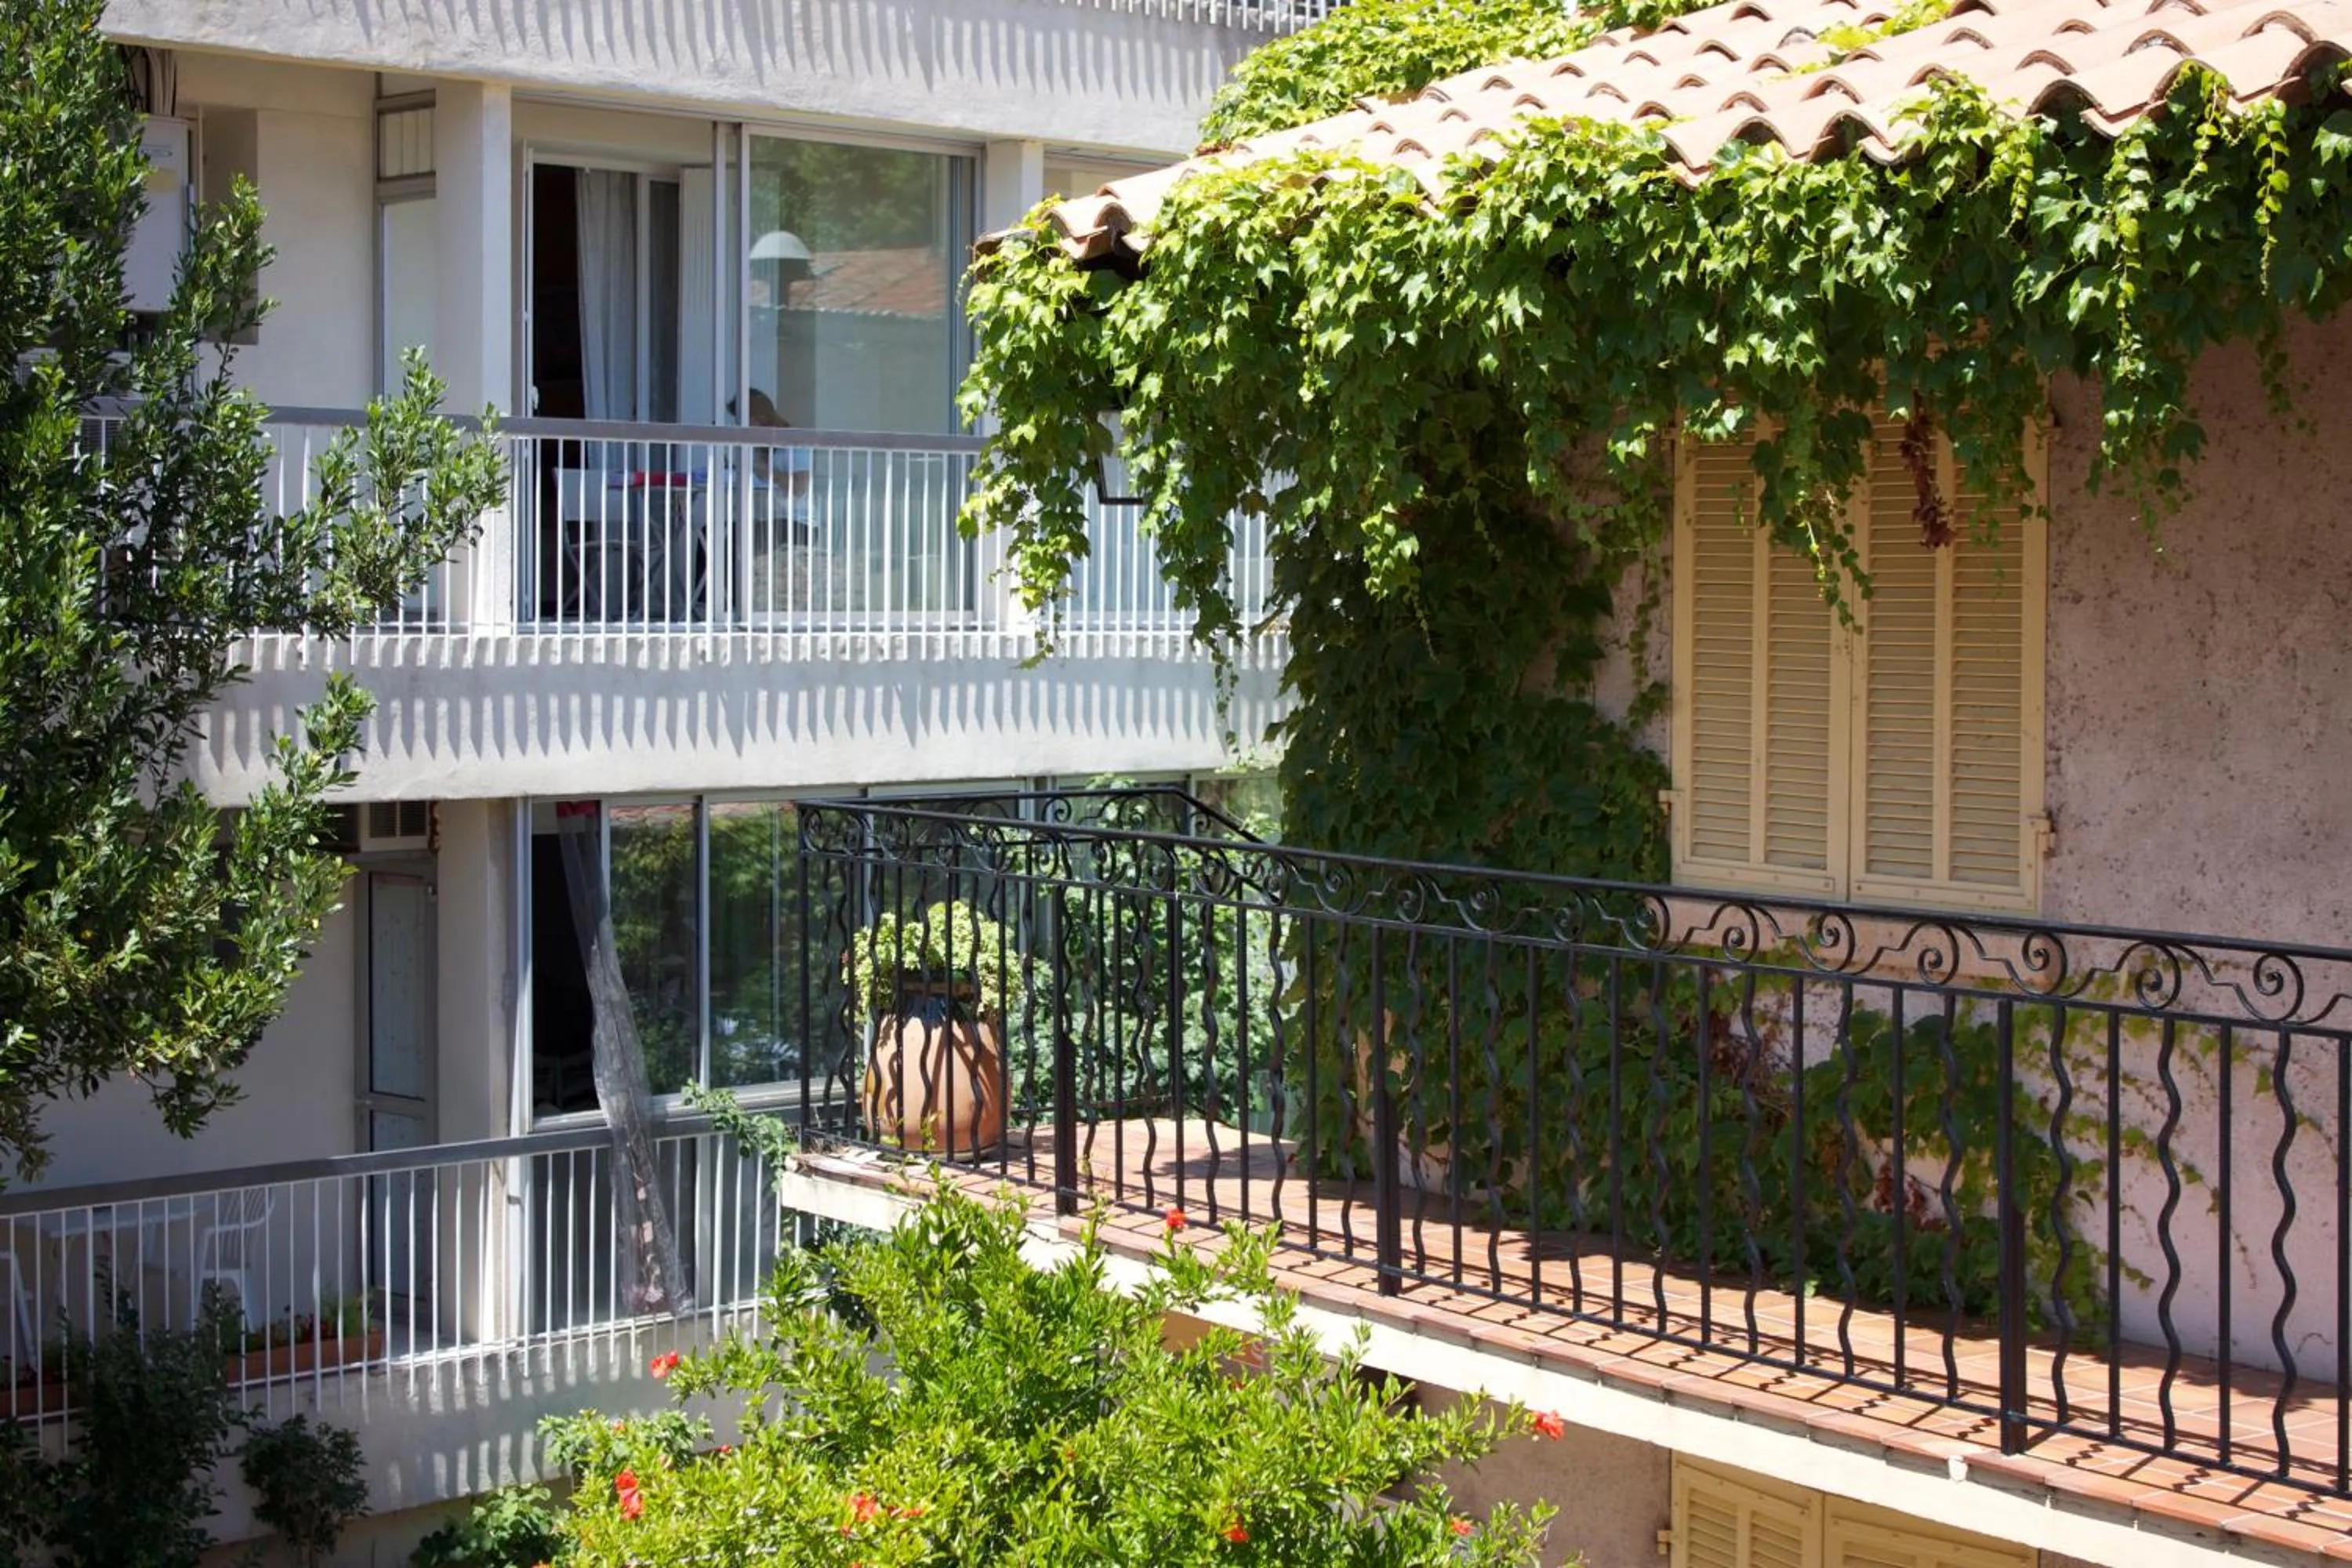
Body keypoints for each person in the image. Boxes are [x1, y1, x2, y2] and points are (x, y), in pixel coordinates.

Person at [737, 388, 813, 495]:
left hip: (795, 511)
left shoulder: (793, 441)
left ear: (758, 417)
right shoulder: (756, 445)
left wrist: (768, 473)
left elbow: (800, 486)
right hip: (765, 508)